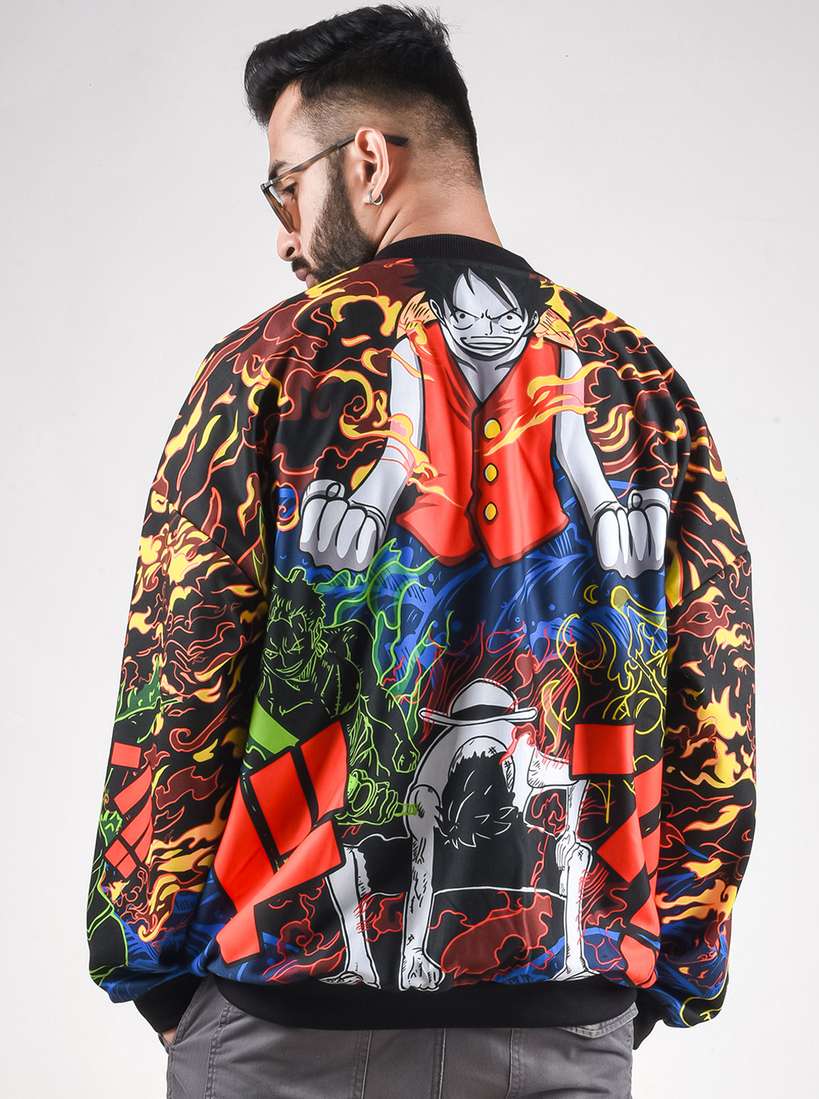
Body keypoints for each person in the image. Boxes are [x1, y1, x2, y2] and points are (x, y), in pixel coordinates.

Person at [85, 5, 757, 1097]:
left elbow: (175, 684)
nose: (284, 237)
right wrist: (663, 968)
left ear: (365, 159)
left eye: (283, 188)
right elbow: (713, 701)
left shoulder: (266, 368)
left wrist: (149, 966)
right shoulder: (641, 382)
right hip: (563, 1024)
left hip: (283, 1026)